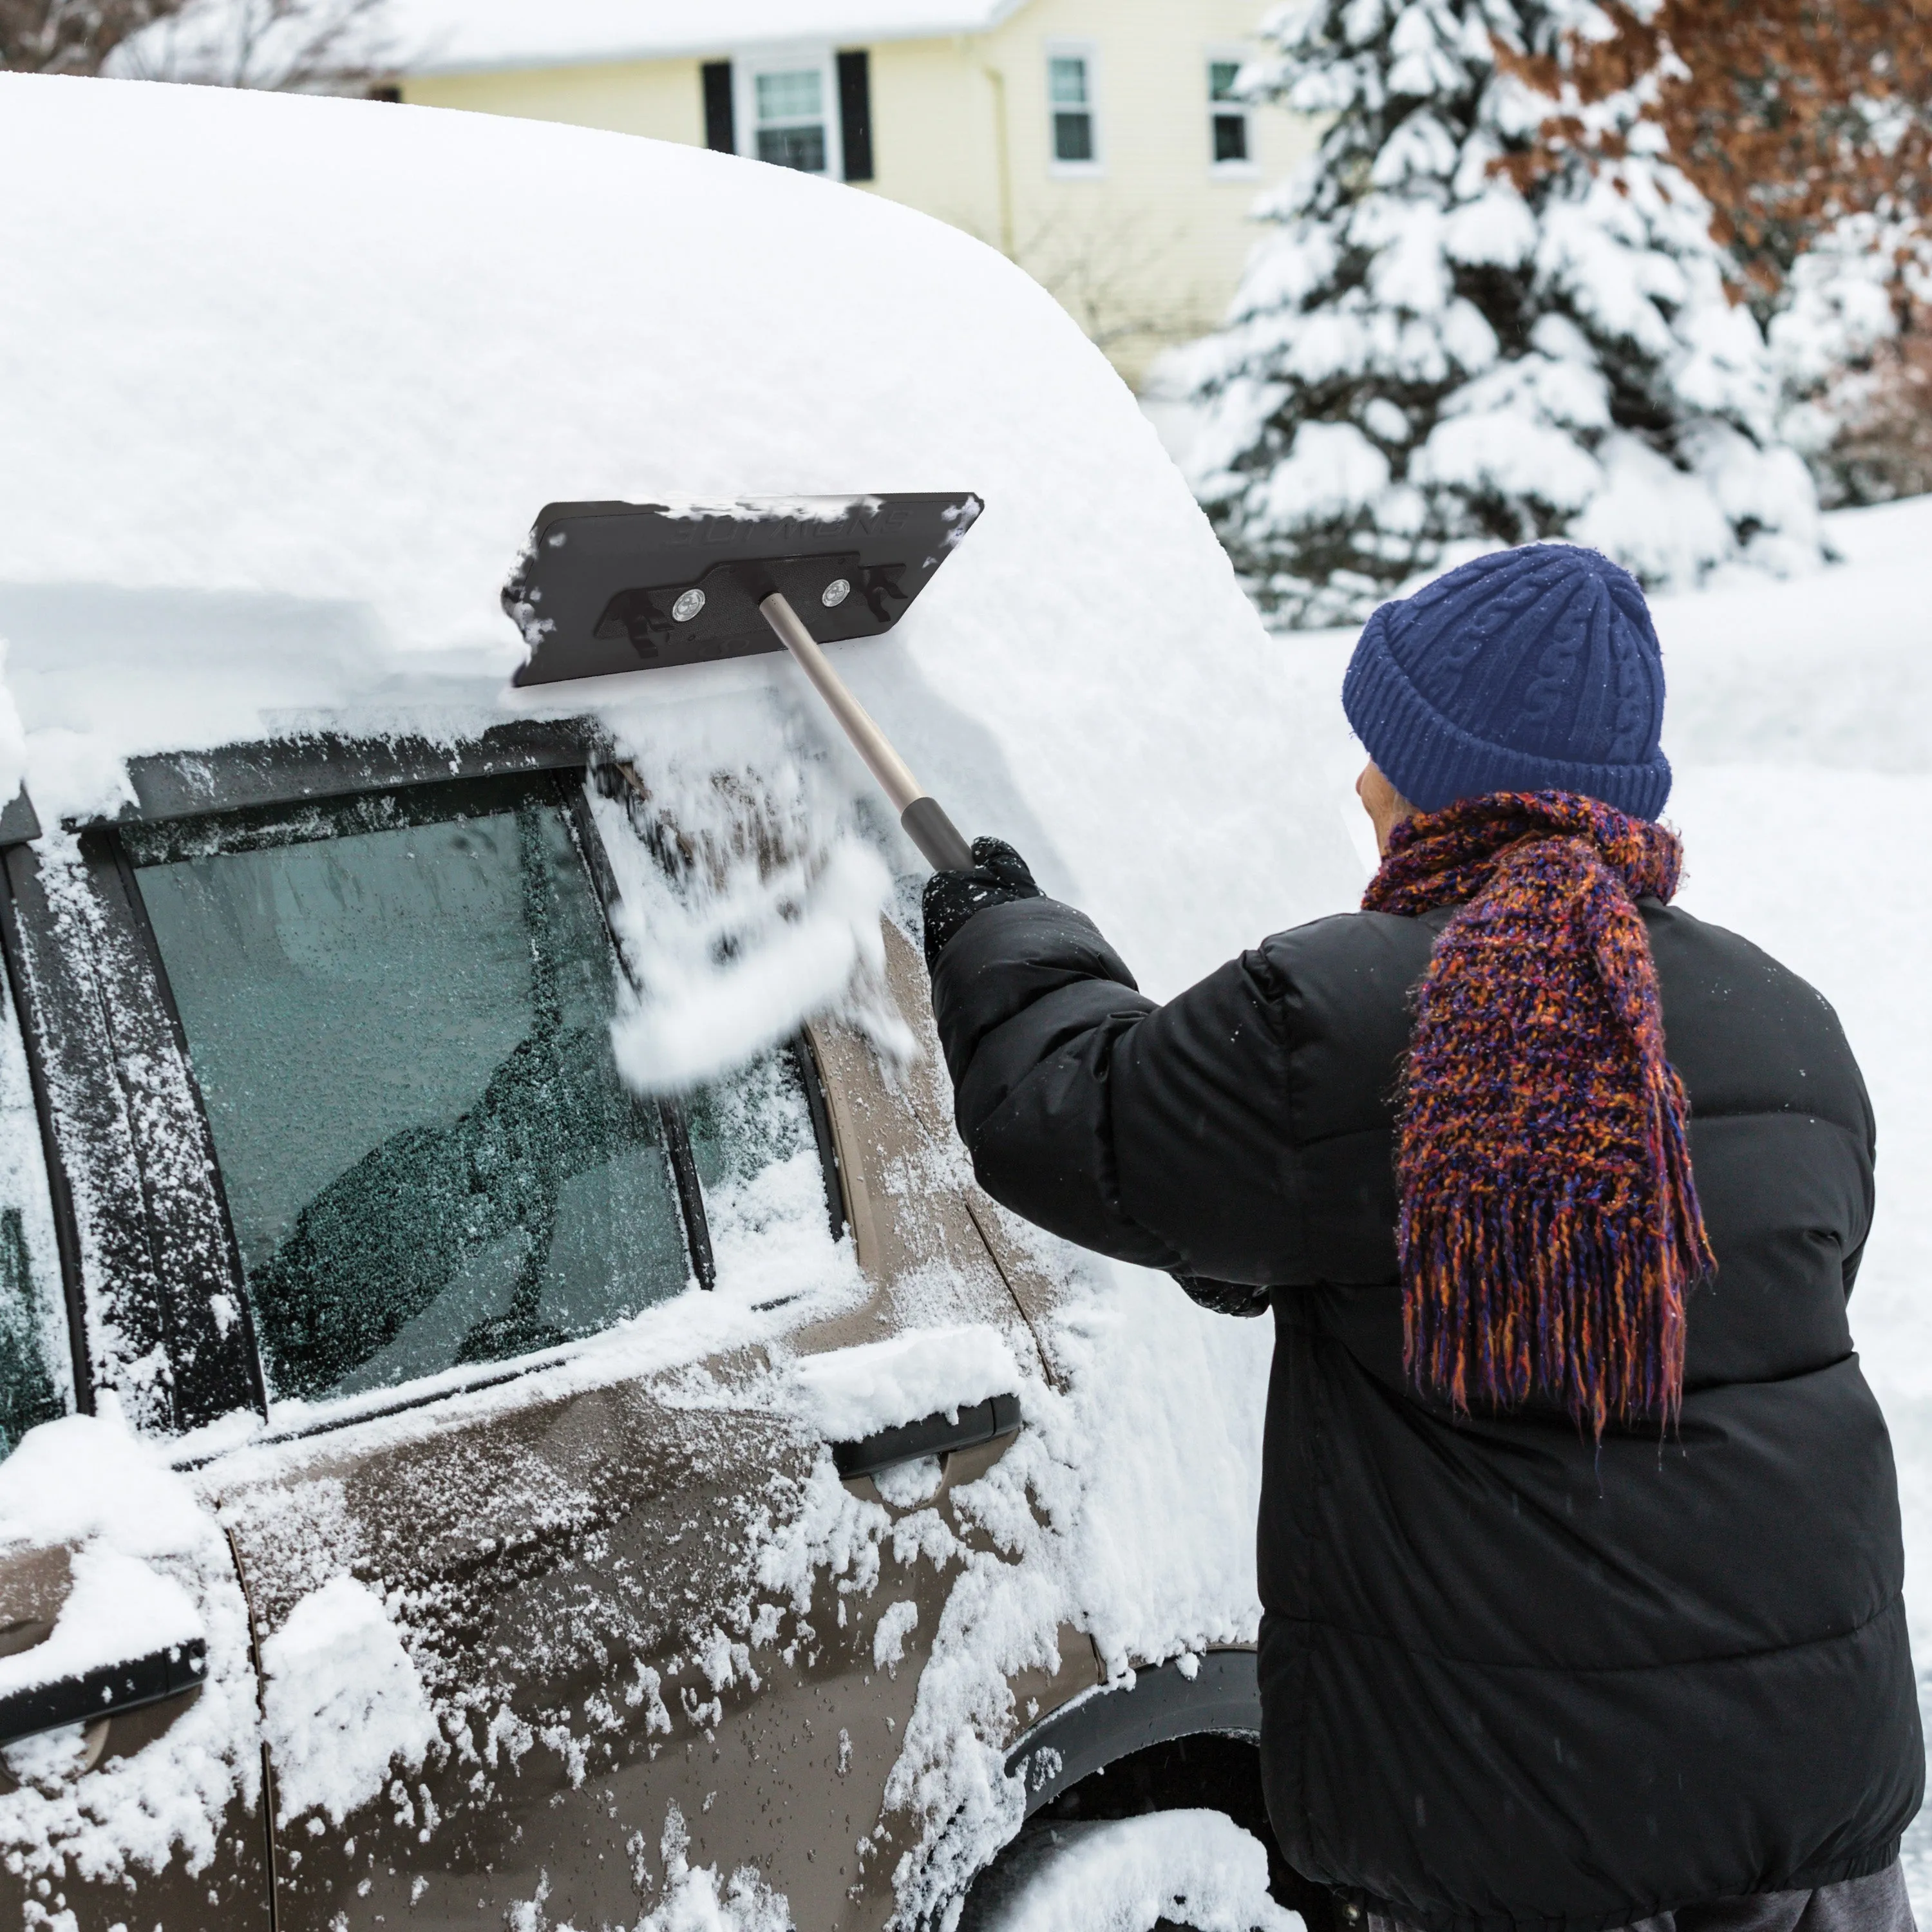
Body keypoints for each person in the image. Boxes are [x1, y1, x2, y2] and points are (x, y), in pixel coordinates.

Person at [922, 545, 1922, 1932]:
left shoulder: (1351, 1022)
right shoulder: (1789, 1024)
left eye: (1388, 751)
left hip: (1529, 1828)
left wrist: (1003, 931)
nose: (1360, 783)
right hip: (1806, 1815)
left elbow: (1073, 1123)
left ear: (1456, 782)